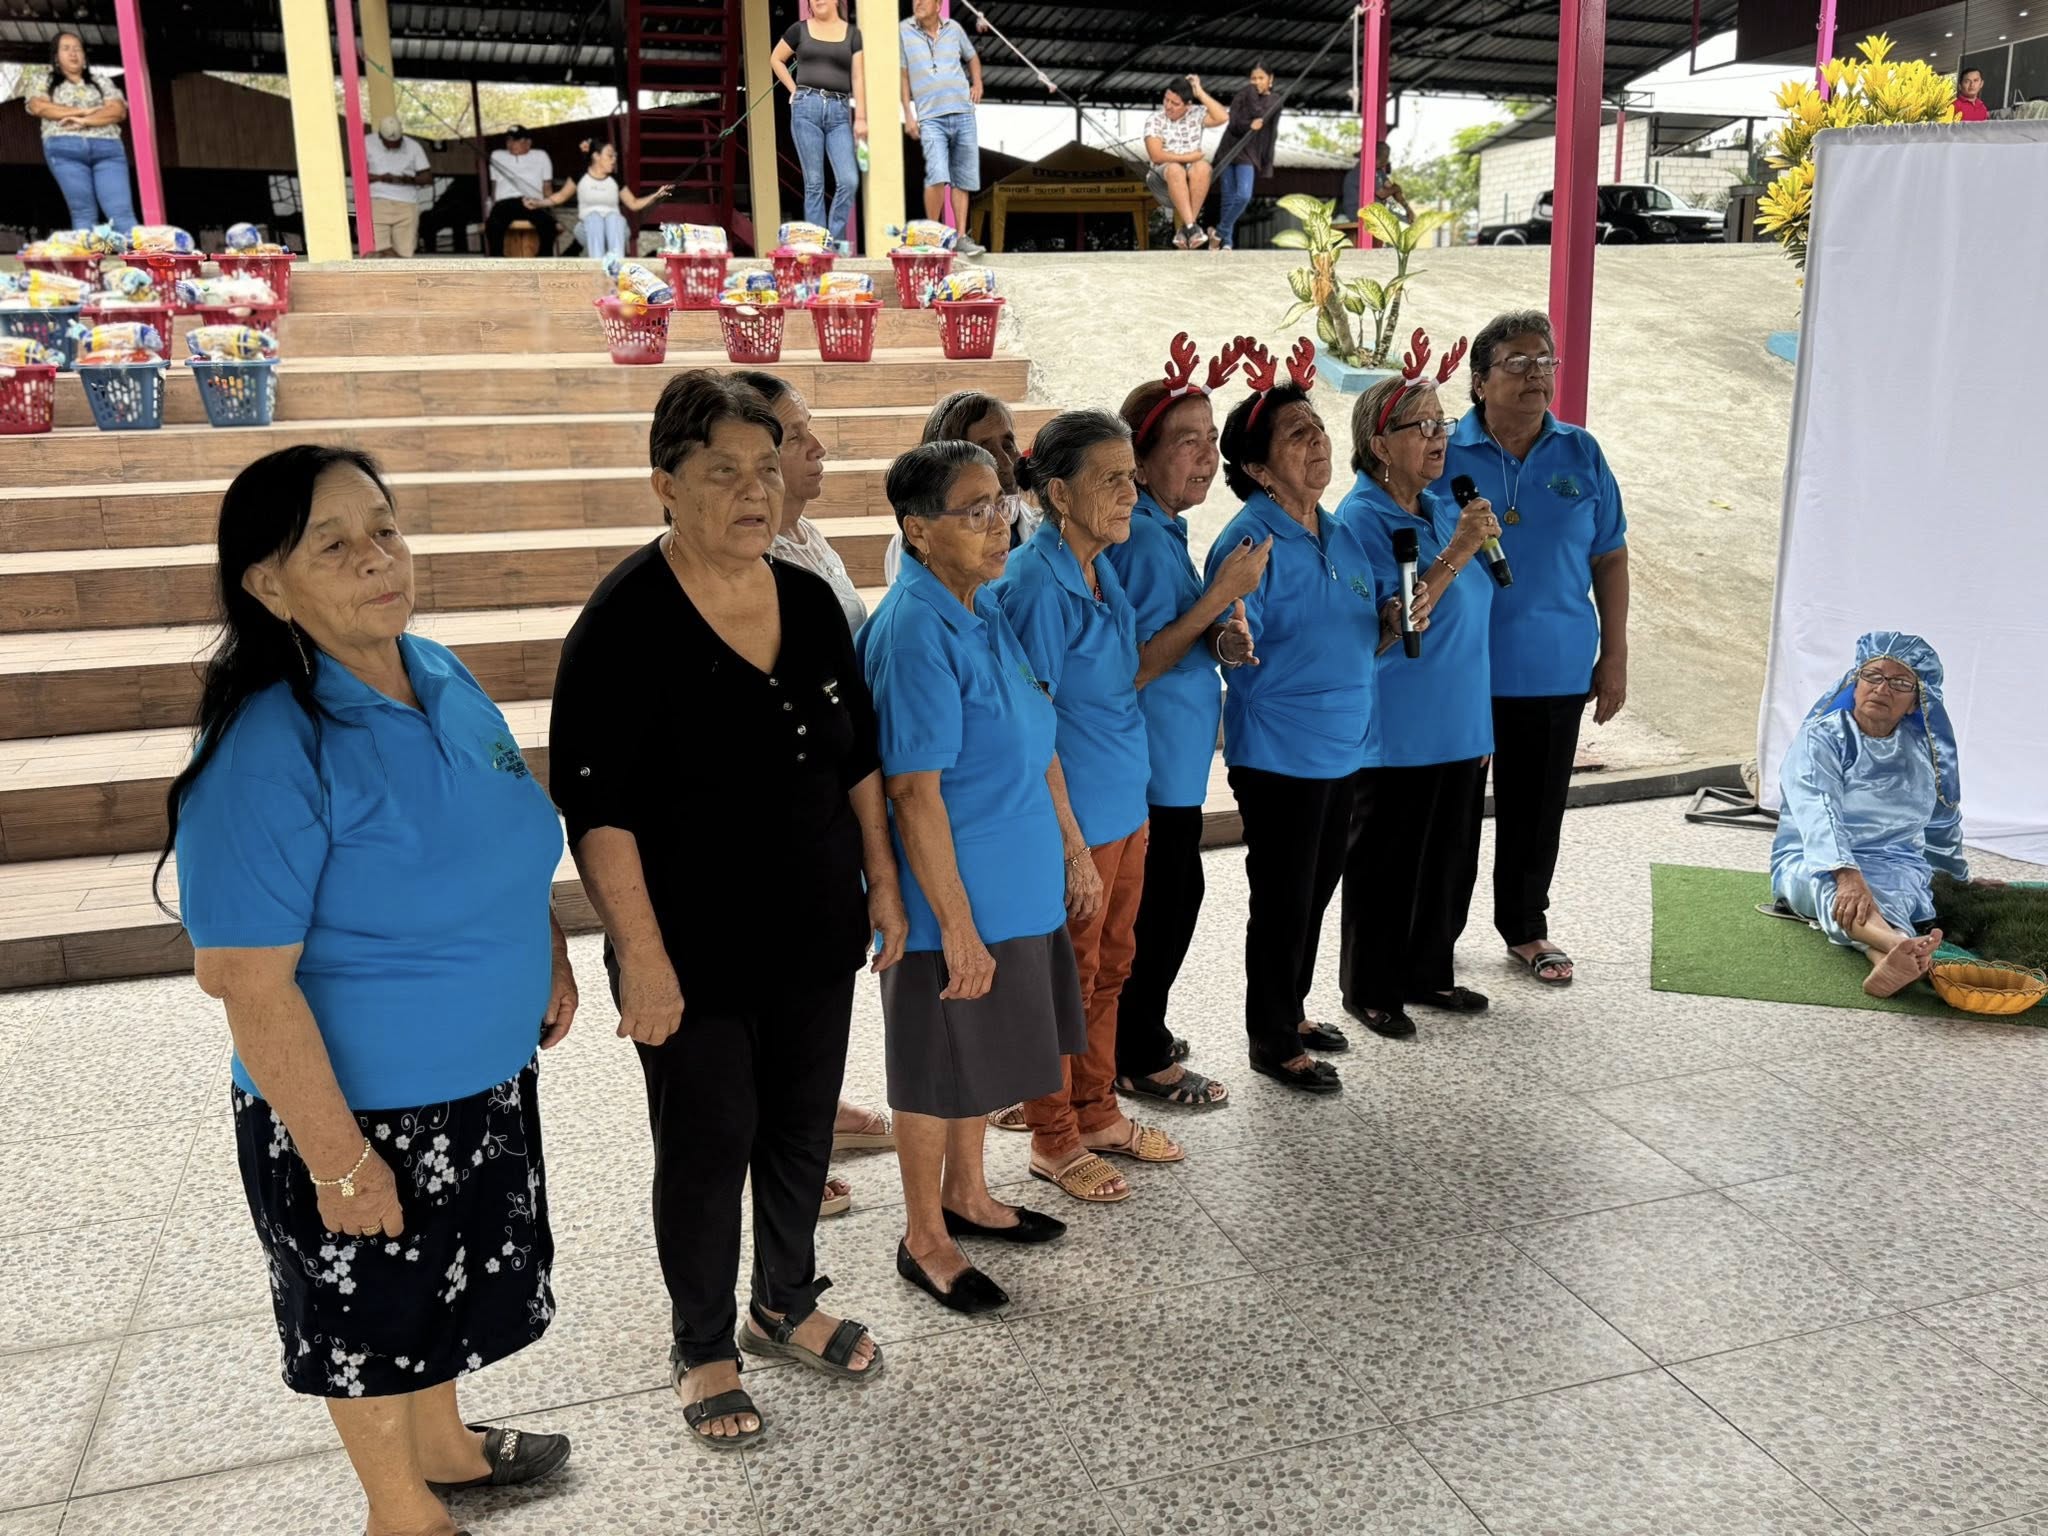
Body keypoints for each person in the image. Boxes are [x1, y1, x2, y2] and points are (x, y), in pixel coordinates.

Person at [164, 446, 575, 1536]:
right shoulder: (265, 744)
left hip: (476, 1080)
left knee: (441, 1290)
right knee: (372, 1316)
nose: (376, 559)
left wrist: (546, 944)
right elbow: (244, 981)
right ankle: (401, 1512)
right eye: (333, 545)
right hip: (359, 1111)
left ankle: (443, 1448)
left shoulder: (433, 669)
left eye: (384, 529)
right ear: (268, 584)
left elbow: (503, 830)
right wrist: (339, 1162)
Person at [549, 372, 900, 1448]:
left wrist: (883, 882)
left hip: (814, 925)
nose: (756, 492)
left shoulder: (805, 599)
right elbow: (598, 811)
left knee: (799, 1127)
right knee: (707, 1147)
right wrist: (641, 960)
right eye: (722, 473)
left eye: (766, 469)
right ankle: (701, 1342)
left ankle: (783, 1300)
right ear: (665, 483)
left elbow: (856, 760)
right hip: (688, 948)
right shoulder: (622, 625)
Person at [858, 440, 1087, 1310]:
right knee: (935, 1068)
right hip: (952, 902)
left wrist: (1069, 850)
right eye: (975, 511)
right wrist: (956, 927)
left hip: (1011, 885)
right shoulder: (915, 630)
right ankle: (924, 1235)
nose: (1001, 526)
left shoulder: (981, 605)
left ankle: (968, 1194)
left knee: (977, 1062)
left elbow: (1033, 733)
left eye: (1003, 505)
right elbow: (912, 794)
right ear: (917, 531)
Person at [980, 411, 1189, 1201]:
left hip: (1123, 805)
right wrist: (1070, 845)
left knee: (1110, 967)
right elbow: (1030, 729)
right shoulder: (1037, 584)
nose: (1132, 492)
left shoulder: (1099, 567)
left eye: (1132, 476)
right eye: (1112, 479)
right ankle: (1054, 1136)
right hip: (1072, 824)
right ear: (1060, 494)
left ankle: (1097, 1110)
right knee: (1062, 979)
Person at [1209, 339, 1417, 1093]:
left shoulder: (1340, 534)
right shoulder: (1250, 540)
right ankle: (1271, 1040)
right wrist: (1230, 641)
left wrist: (1391, 620)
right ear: (1260, 469)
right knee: (1283, 900)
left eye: (1318, 428)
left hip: (1342, 747)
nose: (1319, 442)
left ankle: (1291, 1011)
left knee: (1315, 891)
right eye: (1297, 435)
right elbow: (1228, 633)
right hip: (1279, 754)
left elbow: (1366, 629)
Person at [734, 368, 898, 1209]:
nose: (818, 447)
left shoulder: (807, 538)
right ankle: (775, 1146)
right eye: (795, 437)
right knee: (777, 979)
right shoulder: (748, 560)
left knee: (818, 978)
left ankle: (811, 1111)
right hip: (785, 807)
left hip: (839, 787)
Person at [1437, 310, 1628, 989]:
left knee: (1536, 807)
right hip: (1458, 665)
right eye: (1517, 363)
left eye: (1545, 361)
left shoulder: (1581, 452)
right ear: (1479, 381)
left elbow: (1609, 555)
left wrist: (1615, 653)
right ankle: (1433, 938)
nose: (1535, 374)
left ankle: (1525, 927)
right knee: (1449, 811)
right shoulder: (1442, 451)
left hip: (1554, 664)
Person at [1104, 337, 1269, 1110]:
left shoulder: (1161, 526)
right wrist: (1218, 598)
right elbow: (1135, 664)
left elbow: (1175, 632)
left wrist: (1219, 638)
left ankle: (1137, 1034)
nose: (1207, 457)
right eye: (1186, 442)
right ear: (1139, 462)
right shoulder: (1139, 536)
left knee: (1170, 903)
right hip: (1147, 771)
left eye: (1211, 439)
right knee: (1158, 913)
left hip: (1169, 767)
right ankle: (1137, 1055)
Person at [1339, 356, 1499, 1038]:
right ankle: (1371, 987)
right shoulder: (1361, 519)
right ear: (1379, 445)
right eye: (1422, 427)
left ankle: (1429, 971)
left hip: (1460, 720)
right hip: (1398, 728)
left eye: (1443, 423)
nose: (1439, 437)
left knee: (1448, 862)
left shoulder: (1437, 507)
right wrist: (1459, 550)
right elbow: (1397, 619)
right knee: (1387, 865)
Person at [1771, 632, 1962, 997]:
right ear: (1854, 683)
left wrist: (1956, 879)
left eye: (1900, 682)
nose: (1882, 688)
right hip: (1815, 857)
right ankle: (1897, 943)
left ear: (1916, 702)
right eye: (1872, 676)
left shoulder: (1925, 752)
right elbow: (1818, 809)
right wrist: (1846, 873)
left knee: (1899, 889)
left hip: (1895, 860)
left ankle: (1887, 957)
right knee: (1834, 891)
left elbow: (1942, 820)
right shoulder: (1821, 738)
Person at [883, 390, 1036, 584]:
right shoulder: (918, 545)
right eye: (986, 451)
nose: (1006, 462)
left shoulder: (1037, 527)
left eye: (1007, 445)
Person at [771, 0, 867, 246]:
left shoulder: (853, 34)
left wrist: (861, 118)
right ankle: (817, 246)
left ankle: (832, 241)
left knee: (849, 180)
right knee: (814, 183)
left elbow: (858, 77)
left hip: (839, 111)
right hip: (806, 107)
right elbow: (776, 59)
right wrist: (793, 89)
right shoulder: (799, 29)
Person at [26, 30, 138, 233]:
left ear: (84, 55)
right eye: (66, 49)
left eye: (77, 49)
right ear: (56, 56)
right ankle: (88, 255)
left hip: (108, 149)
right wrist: (84, 111)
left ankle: (138, 254)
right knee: (84, 212)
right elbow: (39, 107)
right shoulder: (44, 80)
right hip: (65, 149)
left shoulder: (101, 81)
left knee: (121, 212)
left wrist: (84, 121)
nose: (73, 53)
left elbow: (118, 110)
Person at [899, 0, 987, 256]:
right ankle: (933, 236)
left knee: (962, 178)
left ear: (938, 5)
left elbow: (972, 57)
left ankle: (961, 237)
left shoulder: (954, 28)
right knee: (937, 175)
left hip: (963, 113)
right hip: (930, 117)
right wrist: (908, 113)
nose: (917, 3)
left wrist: (978, 83)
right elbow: (903, 75)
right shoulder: (904, 30)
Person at [529, 140, 673, 262]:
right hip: (587, 229)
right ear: (596, 156)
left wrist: (656, 195)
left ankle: (615, 268)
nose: (614, 159)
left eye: (615, 156)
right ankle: (598, 266)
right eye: (610, 155)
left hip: (615, 230)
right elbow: (560, 197)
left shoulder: (616, 179)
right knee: (594, 218)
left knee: (614, 218)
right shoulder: (580, 176)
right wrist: (538, 203)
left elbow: (634, 204)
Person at [1146, 75, 1229, 251]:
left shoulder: (1196, 114)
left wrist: (1200, 93)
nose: (1168, 106)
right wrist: (1189, 158)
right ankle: (1191, 227)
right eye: (1166, 99)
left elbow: (1223, 117)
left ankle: (1188, 228)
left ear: (1188, 105)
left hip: (1190, 183)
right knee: (1176, 169)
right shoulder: (1155, 119)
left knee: (1203, 166)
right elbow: (1156, 156)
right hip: (1161, 181)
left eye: (1175, 103)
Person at [1212, 64, 1280, 251]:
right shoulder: (1242, 95)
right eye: (1253, 79)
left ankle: (1219, 232)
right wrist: (1250, 122)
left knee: (1243, 196)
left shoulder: (1274, 100)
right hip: (1229, 149)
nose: (1256, 82)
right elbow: (1234, 123)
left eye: (1261, 78)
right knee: (1228, 198)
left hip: (1249, 152)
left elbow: (1269, 128)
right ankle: (1226, 243)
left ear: (1270, 79)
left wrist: (1267, 162)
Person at [485, 126, 563, 257]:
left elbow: (547, 186)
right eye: (509, 140)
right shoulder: (497, 155)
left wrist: (550, 209)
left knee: (548, 225)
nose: (511, 144)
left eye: (516, 140)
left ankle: (544, 260)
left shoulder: (541, 156)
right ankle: (497, 261)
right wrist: (492, 205)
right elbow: (494, 185)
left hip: (533, 202)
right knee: (493, 225)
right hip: (505, 203)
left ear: (528, 142)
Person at [365, 116, 434, 259]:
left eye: (397, 142)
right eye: (388, 143)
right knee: (377, 252)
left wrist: (405, 180)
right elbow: (357, 174)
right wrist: (381, 177)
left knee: (405, 254)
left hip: (406, 204)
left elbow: (427, 178)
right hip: (377, 202)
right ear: (380, 136)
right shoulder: (366, 143)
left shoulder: (413, 146)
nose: (393, 146)